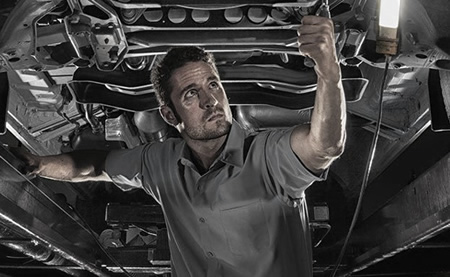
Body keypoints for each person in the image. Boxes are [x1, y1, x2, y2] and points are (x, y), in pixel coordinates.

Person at [14, 15, 346, 277]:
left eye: (213, 85)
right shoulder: (160, 163)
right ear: (170, 115)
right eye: (192, 94)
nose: (211, 100)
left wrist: (330, 75)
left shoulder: (269, 157)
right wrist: (40, 165)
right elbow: (96, 166)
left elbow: (325, 145)